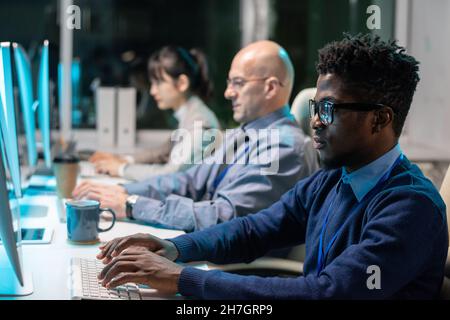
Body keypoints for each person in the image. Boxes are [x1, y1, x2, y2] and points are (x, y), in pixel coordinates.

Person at [95, 34, 448, 299]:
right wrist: (174, 248)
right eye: (314, 109)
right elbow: (255, 229)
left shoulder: (409, 207)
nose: (315, 122)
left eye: (328, 110)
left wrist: (182, 280)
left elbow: (327, 293)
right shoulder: (332, 179)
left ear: (379, 120)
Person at [73, 40, 319, 232]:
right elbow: (188, 181)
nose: (227, 93)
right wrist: (122, 190)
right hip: (209, 246)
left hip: (236, 271)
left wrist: (133, 204)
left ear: (270, 88)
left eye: (238, 83)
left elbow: (223, 217)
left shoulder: (284, 148)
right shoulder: (243, 136)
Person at [90, 46, 220, 181]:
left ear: (182, 83)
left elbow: (172, 174)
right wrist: (123, 160)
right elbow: (162, 152)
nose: (152, 91)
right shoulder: (190, 114)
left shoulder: (200, 123)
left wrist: (121, 169)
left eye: (159, 82)